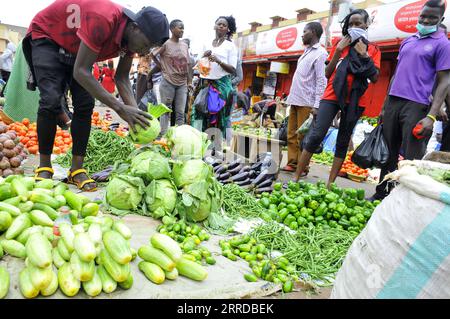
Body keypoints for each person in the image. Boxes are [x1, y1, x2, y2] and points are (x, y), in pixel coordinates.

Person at [22, 1, 169, 191]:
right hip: (49, 36)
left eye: (150, 48)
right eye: (147, 44)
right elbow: (81, 71)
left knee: (85, 104)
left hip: (76, 47)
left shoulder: (131, 40)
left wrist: (135, 115)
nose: (145, 51)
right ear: (134, 28)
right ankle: (44, 166)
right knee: (50, 100)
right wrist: (119, 108)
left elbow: (122, 77)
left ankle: (77, 169)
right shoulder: (104, 18)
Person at [371, 0, 450, 201]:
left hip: (417, 106)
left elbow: (444, 82)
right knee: (388, 152)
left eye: (431, 17)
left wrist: (431, 116)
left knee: (411, 158)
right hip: (394, 102)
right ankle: (381, 194)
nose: (425, 20)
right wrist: (384, 106)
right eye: (423, 16)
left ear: (440, 19)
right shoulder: (409, 40)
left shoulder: (443, 44)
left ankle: (402, 201)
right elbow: (396, 75)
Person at [294, 9, 381, 187]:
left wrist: (364, 55)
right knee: (316, 134)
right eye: (351, 24)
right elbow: (327, 73)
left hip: (356, 100)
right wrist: (338, 51)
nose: (354, 27)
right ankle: (296, 177)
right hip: (332, 95)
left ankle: (329, 184)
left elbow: (375, 77)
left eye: (358, 24)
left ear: (367, 24)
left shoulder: (373, 49)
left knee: (343, 140)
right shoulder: (339, 44)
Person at [282, 22, 328, 174]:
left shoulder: (321, 53)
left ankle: (303, 167)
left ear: (313, 32)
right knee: (291, 134)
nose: (302, 34)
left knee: (303, 137)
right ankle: (293, 163)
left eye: (305, 31)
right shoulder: (306, 51)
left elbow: (321, 80)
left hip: (307, 102)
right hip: (295, 99)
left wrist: (316, 105)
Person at [190, 15, 238, 139]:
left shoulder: (230, 46)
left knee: (219, 117)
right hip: (204, 83)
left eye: (224, 25)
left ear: (228, 29)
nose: (221, 26)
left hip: (221, 85)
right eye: (219, 24)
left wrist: (219, 61)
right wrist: (204, 57)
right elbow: (199, 66)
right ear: (214, 26)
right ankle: (199, 142)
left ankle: (216, 148)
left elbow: (233, 70)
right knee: (199, 112)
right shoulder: (206, 43)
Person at [150, 19, 190, 135]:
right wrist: (162, 67)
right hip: (168, 83)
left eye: (183, 28)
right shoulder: (167, 44)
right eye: (180, 27)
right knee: (165, 111)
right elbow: (153, 54)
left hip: (182, 84)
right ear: (172, 29)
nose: (182, 30)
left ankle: (179, 137)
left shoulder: (184, 45)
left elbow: (187, 64)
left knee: (180, 113)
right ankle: (162, 136)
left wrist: (189, 81)